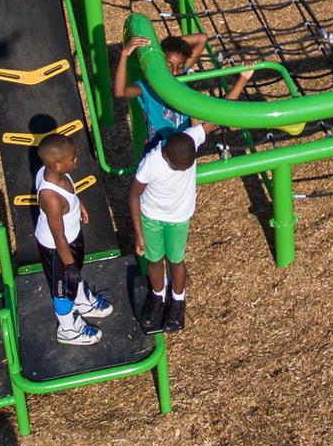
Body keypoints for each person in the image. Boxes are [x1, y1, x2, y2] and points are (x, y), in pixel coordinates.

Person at [128, 116, 235, 334]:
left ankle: (178, 300)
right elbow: (133, 196)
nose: (182, 172)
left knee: (176, 260)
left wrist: (241, 81)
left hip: (178, 219)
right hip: (151, 217)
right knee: (154, 259)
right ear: (166, 156)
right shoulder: (151, 163)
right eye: (179, 168)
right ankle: (157, 295)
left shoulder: (190, 138)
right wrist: (139, 234)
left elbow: (216, 117)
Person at [33, 134, 115, 346]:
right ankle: (67, 328)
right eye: (73, 158)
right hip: (58, 250)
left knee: (74, 278)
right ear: (58, 164)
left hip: (72, 239)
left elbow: (70, 197)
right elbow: (57, 236)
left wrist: (79, 205)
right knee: (62, 290)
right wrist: (69, 265)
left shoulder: (56, 174)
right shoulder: (51, 198)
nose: (76, 160)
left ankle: (80, 301)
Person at [113, 32, 250, 141]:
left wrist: (243, 79)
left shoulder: (181, 76)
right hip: (159, 146)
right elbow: (120, 92)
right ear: (161, 62)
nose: (174, 72)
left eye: (179, 67)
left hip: (184, 145)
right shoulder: (149, 86)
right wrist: (125, 54)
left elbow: (202, 38)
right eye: (169, 66)